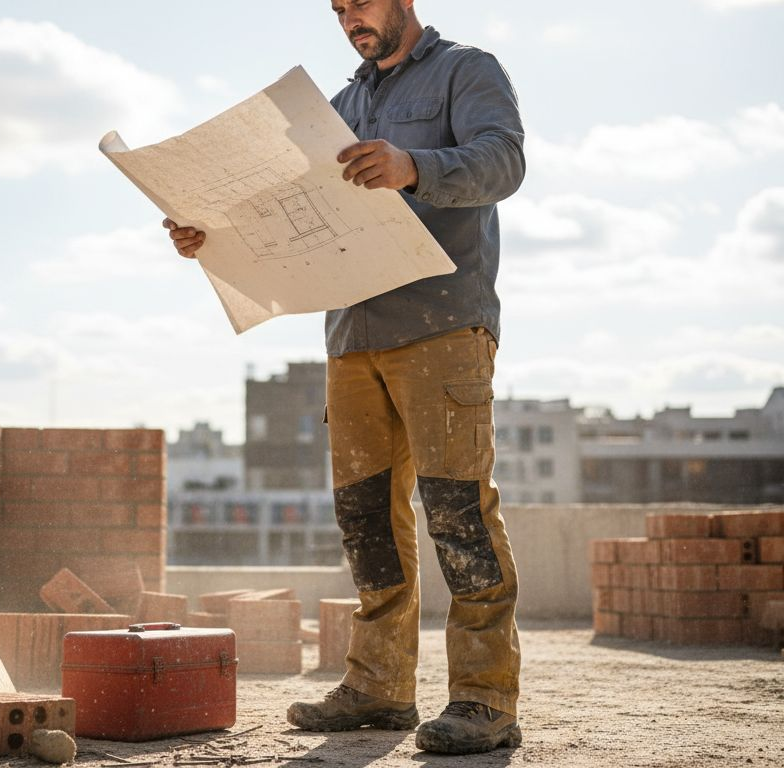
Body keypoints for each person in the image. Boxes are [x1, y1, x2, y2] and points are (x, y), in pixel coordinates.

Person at [165, 0, 524, 755]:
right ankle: (380, 688)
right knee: (365, 519)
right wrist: (211, 235)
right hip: (352, 332)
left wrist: (414, 166)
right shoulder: (343, 103)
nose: (348, 18)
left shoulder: (468, 70)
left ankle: (485, 701)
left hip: (443, 323)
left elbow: (504, 162)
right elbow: (291, 210)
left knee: (458, 511)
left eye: (358, 2)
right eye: (336, 9)